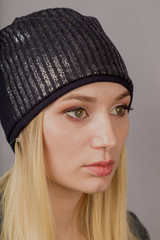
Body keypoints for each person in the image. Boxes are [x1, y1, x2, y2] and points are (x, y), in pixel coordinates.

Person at [0, 8, 150, 240]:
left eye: (119, 109)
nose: (109, 139)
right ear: (25, 129)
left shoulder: (131, 232)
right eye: (78, 112)